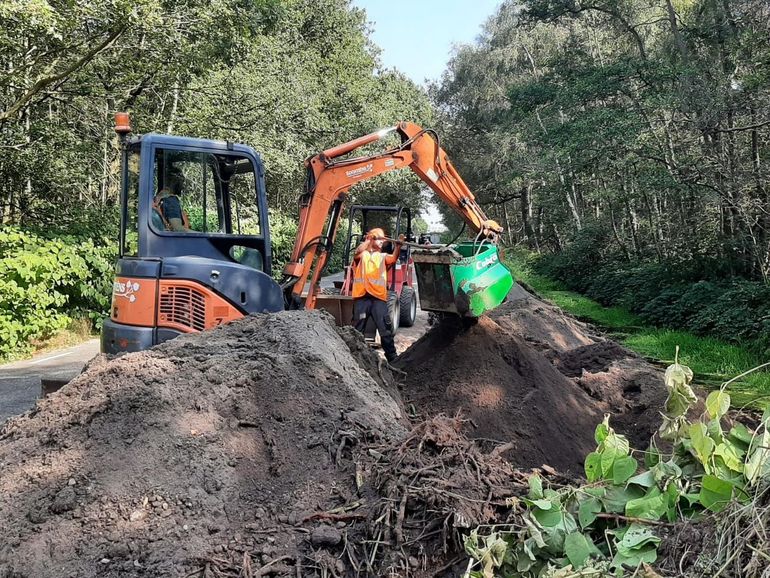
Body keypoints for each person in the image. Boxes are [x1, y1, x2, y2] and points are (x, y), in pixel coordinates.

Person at [351, 227, 404, 362]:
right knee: (357, 329)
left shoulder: (382, 257)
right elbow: (357, 252)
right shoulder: (362, 255)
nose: (382, 242)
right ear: (371, 238)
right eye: (379, 239)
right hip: (362, 298)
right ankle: (354, 357)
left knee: (385, 329)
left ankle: (392, 358)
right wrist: (369, 240)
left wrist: (397, 247)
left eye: (382, 240)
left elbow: (393, 258)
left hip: (378, 299)